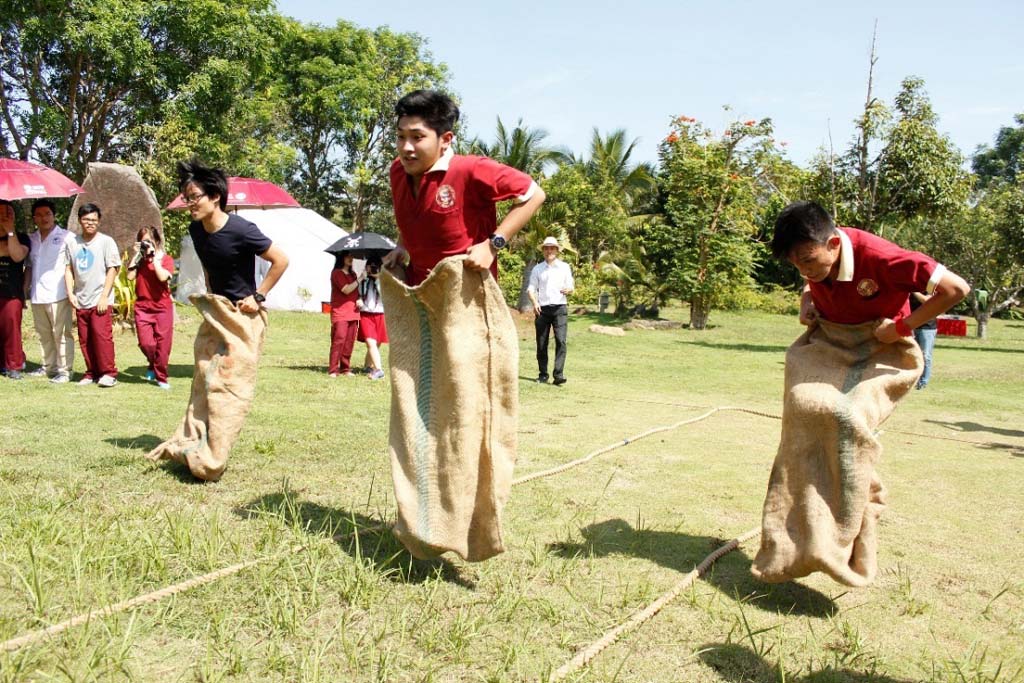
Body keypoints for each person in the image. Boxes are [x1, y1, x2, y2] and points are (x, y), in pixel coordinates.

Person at [751, 200, 970, 587]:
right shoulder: (818, 257)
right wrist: (807, 299)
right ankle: (791, 541)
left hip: (880, 347)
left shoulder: (884, 258)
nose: (805, 269)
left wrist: (903, 326)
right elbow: (811, 279)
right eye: (796, 264)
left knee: (846, 418)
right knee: (803, 410)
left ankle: (848, 532)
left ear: (834, 243)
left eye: (809, 260)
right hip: (829, 343)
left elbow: (957, 289)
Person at [382, 89, 546, 282]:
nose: (406, 147)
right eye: (401, 136)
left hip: (467, 298)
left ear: (445, 139)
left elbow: (534, 194)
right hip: (419, 296)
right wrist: (402, 246)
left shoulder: (470, 169)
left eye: (417, 137)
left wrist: (493, 245)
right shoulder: (398, 171)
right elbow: (413, 215)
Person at [63, 203, 121, 387]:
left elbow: (113, 269)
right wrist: (70, 293)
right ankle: (91, 372)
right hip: (81, 299)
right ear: (80, 220)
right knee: (85, 338)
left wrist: (104, 296)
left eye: (94, 220)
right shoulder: (72, 243)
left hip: (100, 299)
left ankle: (108, 373)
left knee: (101, 337)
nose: (90, 223)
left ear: (99, 221)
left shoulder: (106, 242)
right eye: (87, 219)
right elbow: (68, 269)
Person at [27, 198, 75, 383]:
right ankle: (49, 367)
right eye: (39, 215)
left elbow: (73, 265)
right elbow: (29, 266)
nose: (43, 218)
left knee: (62, 334)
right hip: (37, 295)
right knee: (44, 335)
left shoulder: (66, 237)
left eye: (47, 213)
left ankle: (65, 371)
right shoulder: (32, 239)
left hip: (59, 294)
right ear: (34, 218)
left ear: (54, 216)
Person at [127, 226, 175, 389]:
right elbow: (130, 276)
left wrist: (154, 257)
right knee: (146, 343)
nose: (146, 244)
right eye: (143, 241)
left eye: (149, 241)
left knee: (163, 344)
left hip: (162, 307)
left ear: (157, 241)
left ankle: (161, 376)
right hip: (143, 307)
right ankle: (153, 364)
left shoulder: (166, 259)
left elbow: (162, 277)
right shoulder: (139, 260)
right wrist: (137, 255)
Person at [527, 236, 574, 385]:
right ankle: (543, 374)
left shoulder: (564, 267)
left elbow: (571, 286)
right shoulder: (537, 268)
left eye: (552, 248)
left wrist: (569, 290)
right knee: (542, 343)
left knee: (561, 341)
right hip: (542, 309)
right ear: (543, 251)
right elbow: (531, 288)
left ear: (557, 250)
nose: (549, 251)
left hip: (560, 308)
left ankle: (558, 375)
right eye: (546, 248)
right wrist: (534, 303)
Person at [0, 200, 30, 380]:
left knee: (12, 330)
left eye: (8, 214)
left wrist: (10, 231)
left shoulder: (22, 237)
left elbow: (17, 255)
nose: (5, 217)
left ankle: (14, 366)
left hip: (12, 292)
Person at [328, 251, 361, 377]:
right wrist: (360, 279)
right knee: (339, 340)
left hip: (353, 312)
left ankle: (345, 368)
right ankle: (333, 369)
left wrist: (359, 298)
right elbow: (346, 290)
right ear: (341, 257)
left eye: (352, 256)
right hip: (340, 312)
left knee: (349, 342)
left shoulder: (353, 274)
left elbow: (355, 292)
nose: (350, 258)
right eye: (348, 256)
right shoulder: (337, 273)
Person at [358, 255, 389, 380]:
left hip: (381, 313)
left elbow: (385, 296)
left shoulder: (385, 280)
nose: (373, 269)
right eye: (371, 266)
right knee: (371, 342)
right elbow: (357, 293)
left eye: (375, 266)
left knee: (377, 343)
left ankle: (367, 365)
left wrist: (378, 278)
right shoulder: (362, 279)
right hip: (366, 313)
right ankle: (378, 370)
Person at [909, 292, 938, 390]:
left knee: (926, 355)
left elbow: (926, 300)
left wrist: (914, 291)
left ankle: (923, 382)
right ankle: (914, 380)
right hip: (913, 326)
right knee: (913, 355)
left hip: (927, 327)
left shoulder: (930, 288)